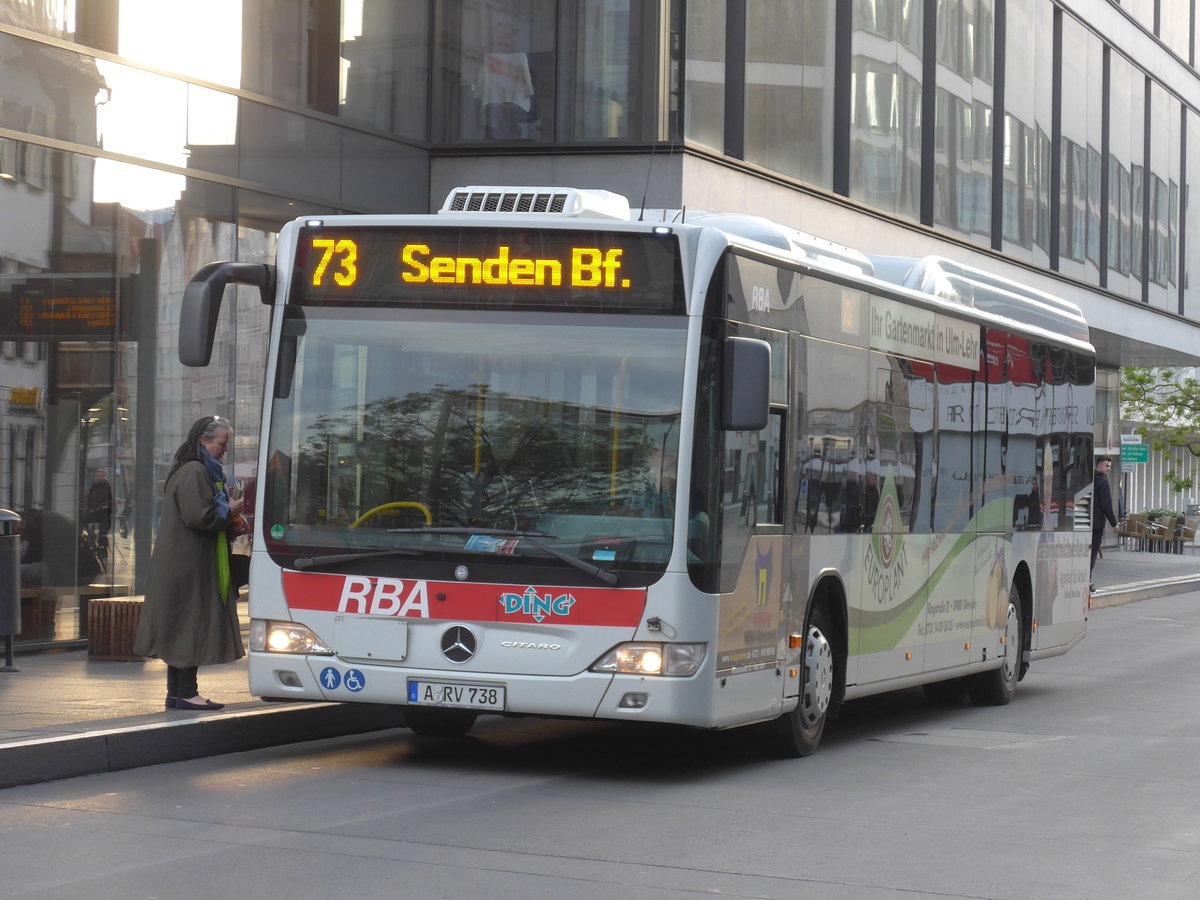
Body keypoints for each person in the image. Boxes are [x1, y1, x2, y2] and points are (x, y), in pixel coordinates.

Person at [133, 416, 246, 710]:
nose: (225, 449)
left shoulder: (190, 469)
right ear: (203, 441)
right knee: (190, 624)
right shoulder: (197, 471)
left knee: (181, 625)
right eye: (222, 443)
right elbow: (201, 516)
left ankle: (178, 692)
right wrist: (231, 510)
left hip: (184, 561)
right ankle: (186, 693)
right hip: (190, 563)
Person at [1090, 455, 1118, 589]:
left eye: (1110, 466)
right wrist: (1114, 523)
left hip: (1086, 522)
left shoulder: (1090, 479)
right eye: (1107, 466)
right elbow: (1106, 505)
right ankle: (1088, 579)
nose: (1109, 469)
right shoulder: (1103, 482)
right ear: (1099, 465)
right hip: (1097, 525)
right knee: (1093, 553)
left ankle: (1085, 577)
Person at [85, 468, 113, 557]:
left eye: (101, 475)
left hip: (103, 513)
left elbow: (109, 500)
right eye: (98, 475)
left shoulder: (106, 486)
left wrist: (105, 507)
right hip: (94, 512)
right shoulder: (93, 486)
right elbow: (89, 498)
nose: (99, 477)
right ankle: (92, 546)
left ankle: (103, 548)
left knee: (103, 532)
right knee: (90, 529)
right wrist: (88, 508)